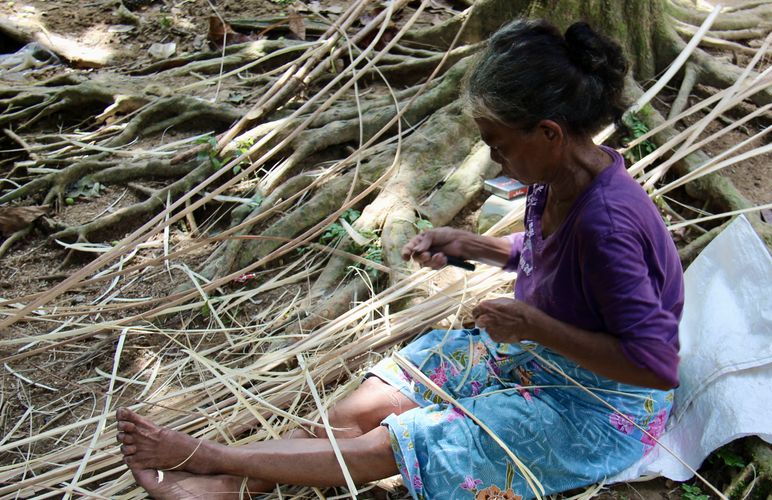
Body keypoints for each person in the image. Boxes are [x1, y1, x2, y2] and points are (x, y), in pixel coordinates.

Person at [115, 19, 683, 500]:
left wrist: (533, 325)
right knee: (352, 415)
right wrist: (477, 246)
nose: (492, 158)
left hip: (597, 409)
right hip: (533, 359)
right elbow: (559, 266)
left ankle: (210, 458)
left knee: (392, 445)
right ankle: (228, 490)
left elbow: (654, 365)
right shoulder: (559, 175)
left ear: (550, 132)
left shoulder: (608, 225)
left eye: (499, 143)